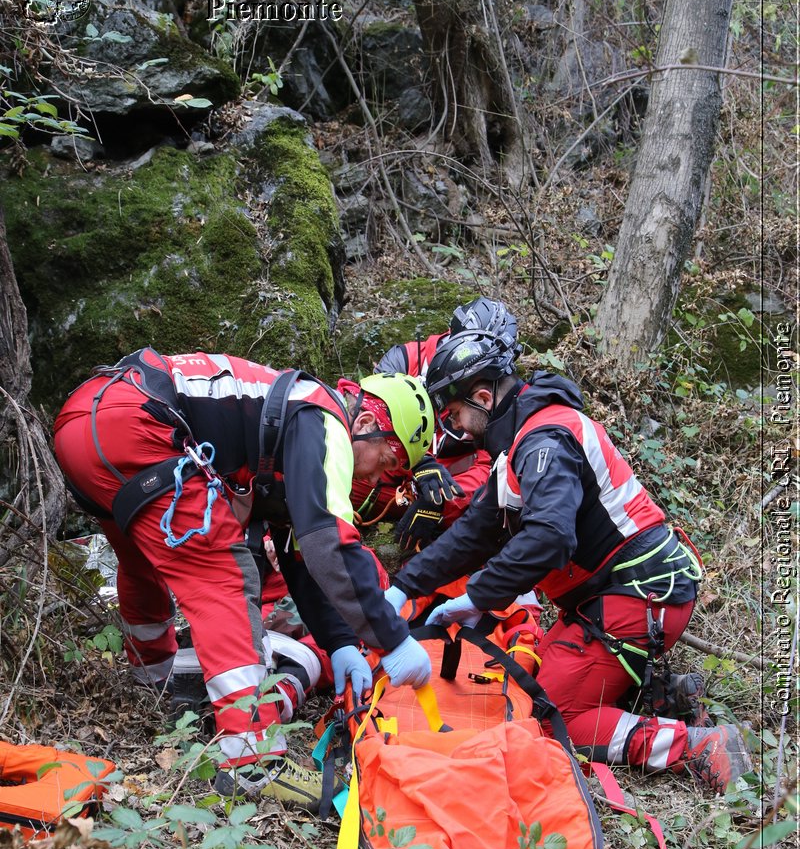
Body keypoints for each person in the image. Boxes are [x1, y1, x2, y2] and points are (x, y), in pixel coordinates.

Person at [54, 349, 435, 809]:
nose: (375, 478)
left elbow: (298, 554)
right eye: (389, 460)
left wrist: (338, 642)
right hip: (136, 422)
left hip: (84, 421)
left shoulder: (291, 419)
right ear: (369, 423)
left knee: (140, 563)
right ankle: (254, 759)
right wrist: (392, 640)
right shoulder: (323, 417)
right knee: (224, 576)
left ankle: (153, 683)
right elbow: (326, 542)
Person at [383, 328, 752, 793]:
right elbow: (473, 536)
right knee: (533, 673)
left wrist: (477, 596)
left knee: (550, 712)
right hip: (622, 594)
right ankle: (663, 693)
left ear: (481, 396)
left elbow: (549, 537)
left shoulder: (544, 442)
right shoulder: (521, 442)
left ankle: (697, 747)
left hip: (638, 594)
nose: (454, 428)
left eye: (455, 414)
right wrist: (403, 587)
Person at [350, 298, 516, 551]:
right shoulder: (404, 361)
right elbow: (368, 426)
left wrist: (441, 502)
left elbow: (491, 465)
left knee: (495, 504)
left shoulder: (490, 396)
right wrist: (421, 463)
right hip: (377, 473)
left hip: (442, 494)